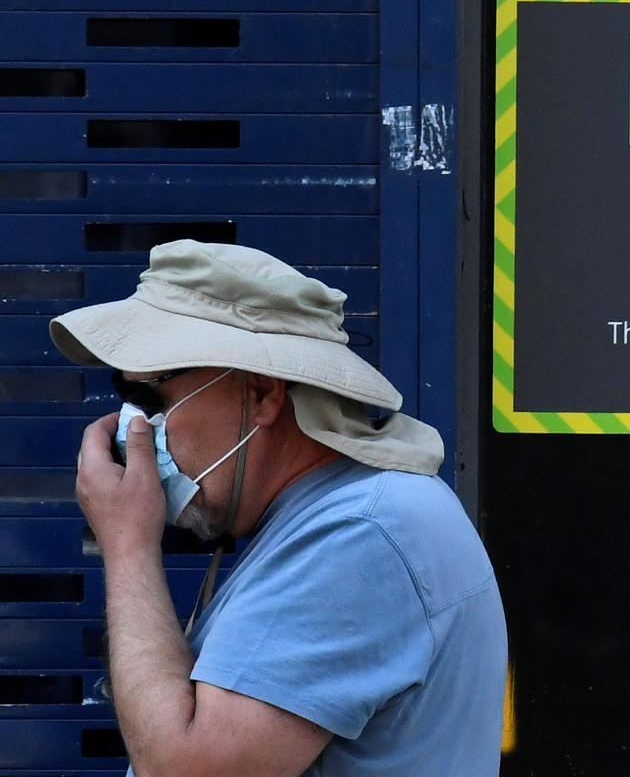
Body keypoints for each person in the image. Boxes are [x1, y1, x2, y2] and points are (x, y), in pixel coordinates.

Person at [50, 240, 507, 775]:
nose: (138, 431)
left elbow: (187, 770)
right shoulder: (333, 517)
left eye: (154, 400)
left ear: (262, 394)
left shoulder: (360, 534)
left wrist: (127, 544)